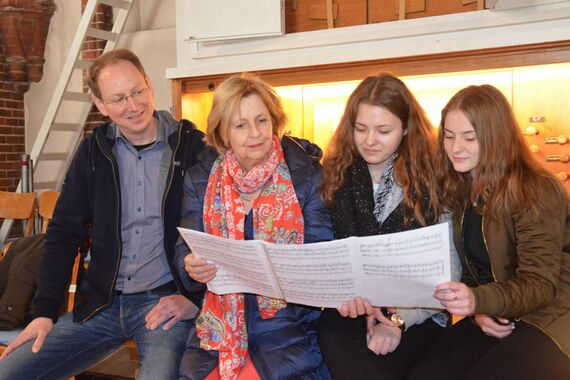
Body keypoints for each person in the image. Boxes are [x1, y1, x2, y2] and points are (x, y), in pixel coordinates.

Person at [0, 49, 206, 379]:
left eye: (137, 91)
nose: (133, 105)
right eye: (119, 98)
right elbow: (64, 233)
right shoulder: (93, 152)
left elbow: (221, 230)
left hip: (165, 304)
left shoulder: (193, 147)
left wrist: (195, 300)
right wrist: (44, 313)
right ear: (101, 105)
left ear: (150, 85)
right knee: (9, 372)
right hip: (102, 304)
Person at [175, 74, 333, 379]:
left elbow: (321, 257)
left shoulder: (306, 176)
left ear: (275, 121)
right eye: (241, 125)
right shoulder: (200, 179)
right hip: (216, 330)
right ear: (223, 134)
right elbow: (185, 247)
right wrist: (189, 265)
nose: (255, 133)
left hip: (288, 328)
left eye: (262, 120)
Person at [409, 84, 570, 379]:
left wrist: (478, 301)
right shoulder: (460, 188)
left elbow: (540, 283)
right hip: (499, 310)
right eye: (449, 135)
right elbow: (476, 271)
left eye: (470, 138)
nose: (455, 147)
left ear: (496, 138)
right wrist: (479, 309)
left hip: (554, 315)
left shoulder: (536, 189)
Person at [317, 73, 461, 379]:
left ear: (407, 128)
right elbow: (327, 253)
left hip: (419, 310)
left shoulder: (434, 179)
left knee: (380, 365)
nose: (369, 141)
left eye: (383, 130)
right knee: (335, 338)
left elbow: (448, 271)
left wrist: (397, 320)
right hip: (353, 308)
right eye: (360, 129)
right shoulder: (336, 173)